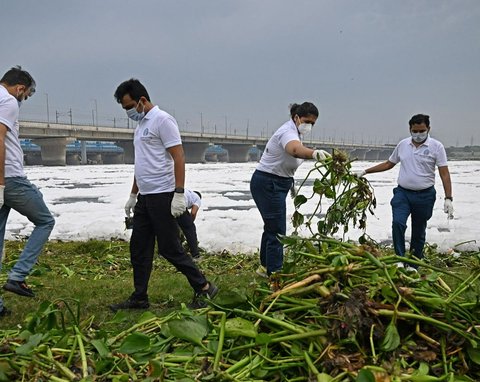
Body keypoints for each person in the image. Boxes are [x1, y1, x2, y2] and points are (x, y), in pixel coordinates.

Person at [110, 79, 217, 311]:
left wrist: (179, 194)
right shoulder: (139, 128)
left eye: (129, 107)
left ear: (142, 101)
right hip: (145, 198)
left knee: (170, 249)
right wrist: (132, 194)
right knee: (138, 248)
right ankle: (139, 297)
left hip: (163, 195)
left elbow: (178, 156)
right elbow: (142, 164)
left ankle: (205, 287)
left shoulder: (163, 121)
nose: (128, 112)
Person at [250, 102, 329, 287]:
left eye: (313, 123)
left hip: (277, 183)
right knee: (277, 231)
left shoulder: (296, 133)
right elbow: (294, 150)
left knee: (271, 227)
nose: (309, 125)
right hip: (269, 183)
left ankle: (264, 267)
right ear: (296, 118)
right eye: (307, 121)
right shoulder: (288, 132)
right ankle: (275, 276)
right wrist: (314, 153)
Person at [355, 114, 453, 264]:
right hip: (403, 193)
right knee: (398, 224)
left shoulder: (436, 147)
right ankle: (400, 259)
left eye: (422, 131)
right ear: (410, 129)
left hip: (425, 195)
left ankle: (414, 263)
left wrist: (448, 198)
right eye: (415, 131)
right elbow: (389, 164)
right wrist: (365, 171)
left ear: (428, 129)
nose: (418, 134)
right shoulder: (403, 145)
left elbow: (444, 173)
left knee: (419, 231)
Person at [0, 66, 56, 316]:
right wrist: (1, 183)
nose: (24, 100)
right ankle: (18, 275)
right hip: (10, 179)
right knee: (45, 220)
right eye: (28, 95)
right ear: (20, 88)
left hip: (5, 181)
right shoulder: (8, 101)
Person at [176, 189, 202, 259]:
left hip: (167, 199)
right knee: (190, 228)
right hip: (179, 203)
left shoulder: (188, 193)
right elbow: (193, 213)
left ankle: (163, 253)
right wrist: (190, 222)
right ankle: (195, 255)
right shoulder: (197, 198)